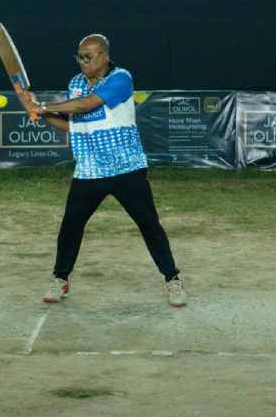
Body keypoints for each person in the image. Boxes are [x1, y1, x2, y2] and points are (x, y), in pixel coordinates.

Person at [20, 34, 186, 307]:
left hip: (126, 169)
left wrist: (44, 106)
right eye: (80, 57)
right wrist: (40, 114)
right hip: (89, 171)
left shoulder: (121, 78)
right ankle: (61, 279)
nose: (83, 62)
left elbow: (87, 105)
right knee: (71, 225)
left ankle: (172, 279)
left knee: (149, 224)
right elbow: (74, 126)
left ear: (104, 56)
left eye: (89, 56)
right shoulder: (75, 84)